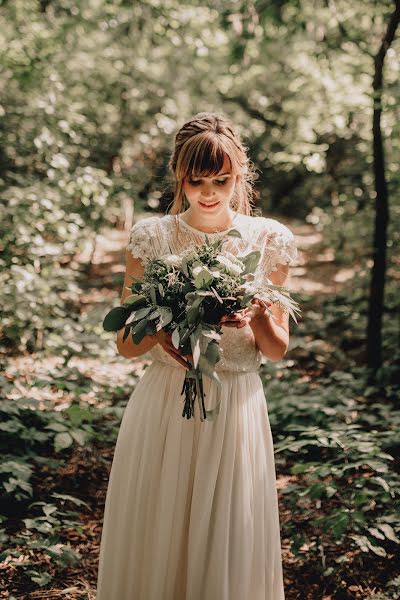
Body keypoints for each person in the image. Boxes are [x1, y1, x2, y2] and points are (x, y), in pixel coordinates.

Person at [96, 111, 298, 600]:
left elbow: (276, 349)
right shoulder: (152, 237)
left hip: (236, 405)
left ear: (238, 177)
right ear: (179, 177)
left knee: (227, 531)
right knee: (160, 531)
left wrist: (256, 315)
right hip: (166, 403)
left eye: (221, 180)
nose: (209, 192)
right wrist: (159, 334)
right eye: (197, 180)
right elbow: (125, 344)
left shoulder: (269, 240)